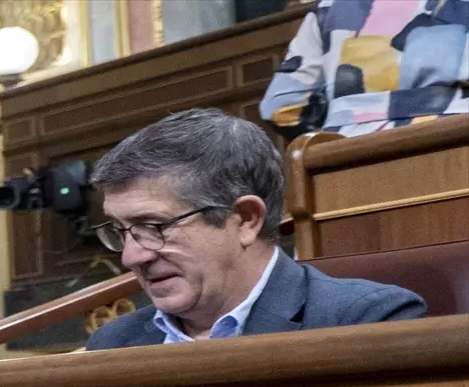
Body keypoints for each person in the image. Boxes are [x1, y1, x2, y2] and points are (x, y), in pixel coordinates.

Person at [85, 108, 424, 349]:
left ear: (246, 219)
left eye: (154, 226)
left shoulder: (365, 322)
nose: (131, 256)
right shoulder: (114, 342)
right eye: (121, 230)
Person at [261, 0, 469, 137]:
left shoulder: (329, 7)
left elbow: (279, 108)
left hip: (347, 157)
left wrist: (342, 122)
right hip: (452, 141)